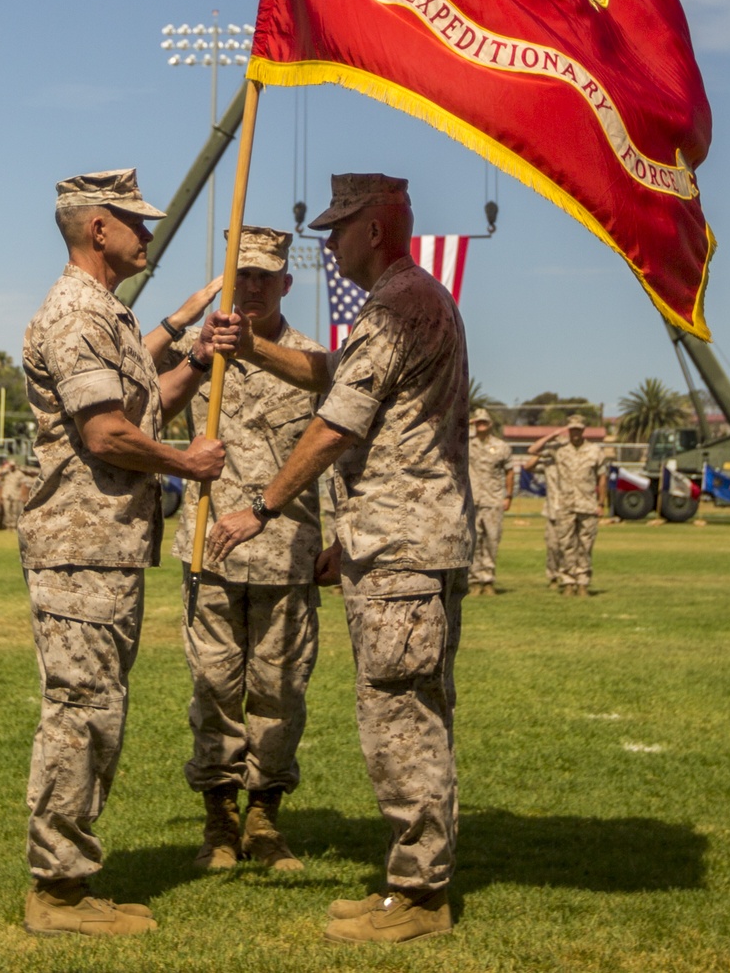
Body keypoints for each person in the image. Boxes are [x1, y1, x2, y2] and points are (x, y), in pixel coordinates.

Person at [208, 173, 472, 946]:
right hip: (397, 542)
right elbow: (335, 376)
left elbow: (335, 424)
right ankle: (407, 884)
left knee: (403, 720)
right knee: (404, 711)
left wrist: (260, 506)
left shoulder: (395, 307)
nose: (328, 243)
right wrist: (254, 348)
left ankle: (420, 897)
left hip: (400, 548)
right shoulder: (406, 302)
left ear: (377, 230)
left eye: (339, 228)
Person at [19, 167, 237, 940]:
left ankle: (71, 881)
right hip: (81, 548)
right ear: (97, 228)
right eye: (136, 222)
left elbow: (141, 404)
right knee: (81, 713)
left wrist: (196, 360)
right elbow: (105, 433)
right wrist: (187, 463)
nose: (149, 234)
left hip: (104, 547)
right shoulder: (78, 313)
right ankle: (58, 892)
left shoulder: (105, 312)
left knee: (97, 710)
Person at [168, 226, 322, 873]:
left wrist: (337, 536)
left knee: (280, 691)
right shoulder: (198, 352)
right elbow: (144, 397)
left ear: (287, 283)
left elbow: (338, 453)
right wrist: (193, 344)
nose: (253, 286)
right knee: (215, 689)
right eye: (243, 275)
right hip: (210, 549)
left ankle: (265, 815)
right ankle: (219, 820)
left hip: (287, 550)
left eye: (265, 276)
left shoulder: (315, 361)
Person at [521, 415, 607, 596]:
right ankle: (568, 581)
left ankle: (582, 582)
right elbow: (532, 450)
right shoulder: (558, 449)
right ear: (568, 430)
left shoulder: (595, 451)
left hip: (587, 505)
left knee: (585, 545)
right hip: (565, 506)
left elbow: (602, 478)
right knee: (566, 545)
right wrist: (552, 436)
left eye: (578, 429)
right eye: (572, 429)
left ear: (583, 430)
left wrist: (601, 503)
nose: (575, 432)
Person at [467, 409, 514, 595]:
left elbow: (509, 471)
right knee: (472, 541)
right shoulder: (466, 442)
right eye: (477, 422)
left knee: (492, 540)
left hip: (493, 499)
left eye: (484, 422)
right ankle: (474, 581)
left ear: (490, 424)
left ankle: (488, 581)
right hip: (472, 499)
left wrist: (508, 495)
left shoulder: (501, 446)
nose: (481, 425)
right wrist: (467, 422)